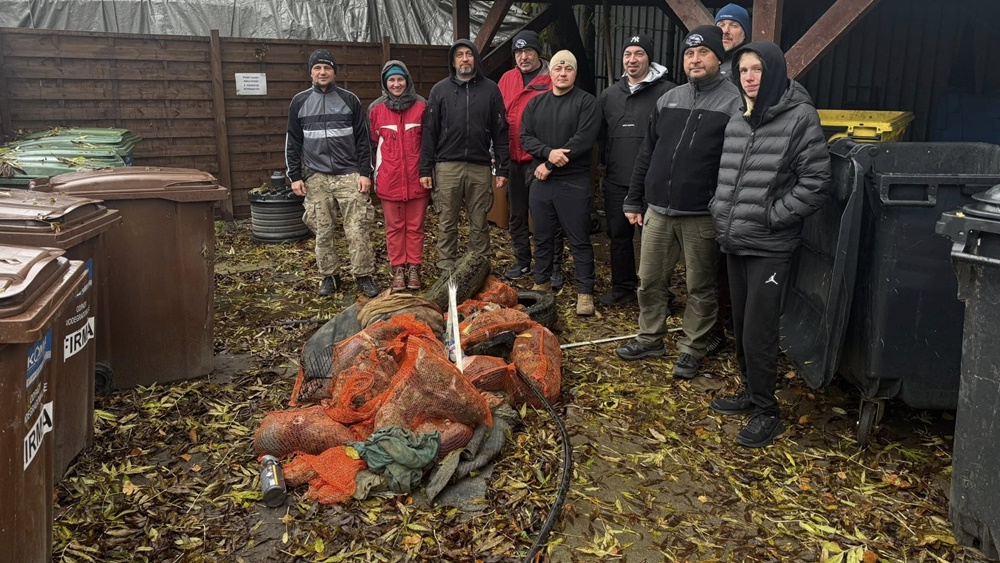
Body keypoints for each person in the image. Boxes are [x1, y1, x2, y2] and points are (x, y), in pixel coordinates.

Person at [708, 41, 831, 447]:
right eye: (743, 70)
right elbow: (727, 174)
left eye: (757, 69)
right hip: (735, 239)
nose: (749, 77)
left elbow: (816, 182)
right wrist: (718, 208)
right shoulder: (738, 117)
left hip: (769, 246)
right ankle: (750, 391)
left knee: (759, 331)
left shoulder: (800, 117)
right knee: (742, 326)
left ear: (774, 71)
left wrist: (772, 216)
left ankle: (767, 412)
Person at [615, 26, 741, 380]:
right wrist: (634, 198)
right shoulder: (669, 98)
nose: (695, 60)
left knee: (700, 286)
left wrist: (720, 205)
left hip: (701, 214)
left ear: (718, 57)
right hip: (657, 209)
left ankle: (692, 349)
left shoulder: (734, 103)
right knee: (649, 280)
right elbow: (648, 152)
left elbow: (736, 163)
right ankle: (650, 338)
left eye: (703, 53)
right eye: (689, 54)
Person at [286, 49, 381, 298]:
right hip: (316, 176)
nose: (322, 72)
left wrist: (365, 173)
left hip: (349, 174)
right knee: (322, 229)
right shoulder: (299, 102)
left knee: (357, 228)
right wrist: (295, 176)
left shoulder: (350, 100)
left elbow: (363, 140)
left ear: (334, 72)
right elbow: (293, 142)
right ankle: (329, 276)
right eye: (317, 68)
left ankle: (363, 275)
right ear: (310, 73)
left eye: (327, 68)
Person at [520, 50, 601, 316]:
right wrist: (548, 153)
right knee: (542, 237)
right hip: (542, 183)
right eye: (558, 68)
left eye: (568, 69)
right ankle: (541, 284)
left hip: (573, 182)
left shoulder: (587, 103)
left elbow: (583, 139)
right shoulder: (535, 104)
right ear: (550, 73)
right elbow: (525, 137)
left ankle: (585, 292)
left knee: (579, 239)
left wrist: (550, 163)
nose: (563, 73)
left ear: (575, 73)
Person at [598, 34, 676, 306]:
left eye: (639, 53)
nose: (632, 59)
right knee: (618, 237)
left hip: (653, 182)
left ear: (649, 58)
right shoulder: (609, 95)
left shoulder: (668, 92)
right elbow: (601, 136)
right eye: (628, 54)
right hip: (617, 180)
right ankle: (623, 288)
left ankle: (658, 294)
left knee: (655, 242)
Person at [419, 40, 510, 272]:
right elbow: (429, 131)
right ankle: (446, 268)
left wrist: (503, 168)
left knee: (479, 222)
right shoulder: (440, 90)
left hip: (480, 166)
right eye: (459, 55)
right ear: (453, 62)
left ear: (475, 59)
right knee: (447, 221)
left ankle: (478, 269)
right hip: (446, 166)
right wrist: (425, 168)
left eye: (469, 54)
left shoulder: (491, 90)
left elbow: (500, 130)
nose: (464, 59)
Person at [497, 31, 567, 288]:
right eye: (518, 52)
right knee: (516, 213)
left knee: (546, 215)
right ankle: (522, 260)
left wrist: (550, 157)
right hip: (513, 158)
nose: (523, 57)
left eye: (528, 51)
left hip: (540, 159)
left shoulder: (551, 78)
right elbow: (498, 118)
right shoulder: (507, 79)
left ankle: (552, 266)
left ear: (538, 52)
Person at [707, 2, 752, 352]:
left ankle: (735, 320)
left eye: (733, 24)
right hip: (709, 169)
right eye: (720, 23)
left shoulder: (748, 67)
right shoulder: (708, 65)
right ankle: (716, 322)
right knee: (710, 255)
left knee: (733, 253)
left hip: (740, 169)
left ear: (745, 32)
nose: (725, 29)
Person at [369, 60, 429, 292]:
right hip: (389, 179)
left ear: (407, 80)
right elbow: (374, 142)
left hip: (417, 179)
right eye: (391, 80)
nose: (396, 84)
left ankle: (413, 267)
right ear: (385, 83)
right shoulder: (376, 109)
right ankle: (398, 269)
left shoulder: (422, 106)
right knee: (394, 228)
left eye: (400, 79)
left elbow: (429, 141)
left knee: (415, 227)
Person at [715, 3, 751, 76]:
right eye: (721, 25)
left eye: (734, 25)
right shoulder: (705, 62)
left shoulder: (748, 65)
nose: (725, 31)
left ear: (744, 33)